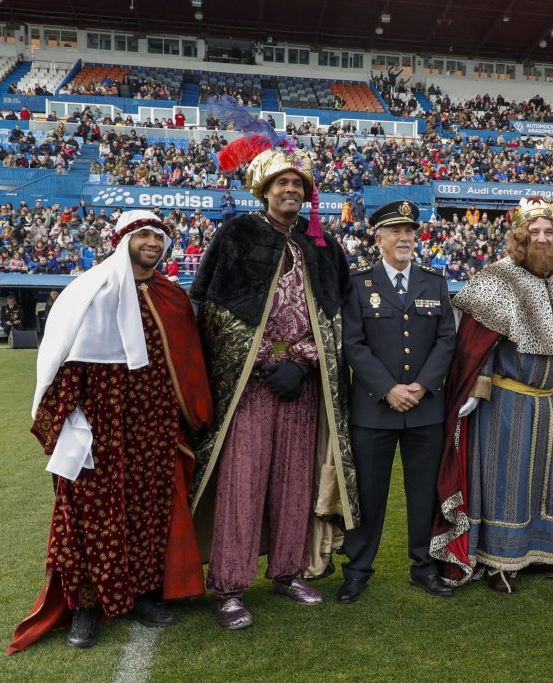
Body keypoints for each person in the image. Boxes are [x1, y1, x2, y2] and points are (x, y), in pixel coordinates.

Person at [8, 210, 213, 653]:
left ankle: (140, 595)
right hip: (96, 424)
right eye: (143, 235)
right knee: (87, 518)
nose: (152, 244)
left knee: (147, 512)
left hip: (151, 426)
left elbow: (189, 364)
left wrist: (188, 419)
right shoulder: (89, 291)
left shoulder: (172, 297)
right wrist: (67, 422)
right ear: (123, 240)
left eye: (159, 237)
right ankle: (85, 609)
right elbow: (63, 361)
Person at [190, 114, 359, 630]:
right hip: (250, 386)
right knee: (242, 482)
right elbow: (215, 310)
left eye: (297, 184)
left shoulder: (322, 245)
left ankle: (287, 572)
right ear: (263, 189)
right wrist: (266, 360)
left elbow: (336, 317)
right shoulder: (238, 235)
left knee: (294, 482)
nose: (290, 189)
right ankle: (230, 586)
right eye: (282, 183)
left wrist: (303, 359)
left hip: (303, 387)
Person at [431, 196, 553, 595]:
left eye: (549, 232)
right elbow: (474, 344)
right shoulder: (499, 278)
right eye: (534, 233)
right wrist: (476, 390)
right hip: (507, 403)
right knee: (507, 481)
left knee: (545, 481)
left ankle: (539, 555)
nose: (543, 239)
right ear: (520, 236)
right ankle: (499, 561)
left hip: (548, 402)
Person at [336, 200, 456, 604]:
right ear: (378, 238)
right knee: (370, 494)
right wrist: (388, 388)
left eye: (409, 231)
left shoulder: (434, 282)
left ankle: (423, 567)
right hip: (374, 407)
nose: (404, 238)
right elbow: (353, 344)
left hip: (424, 409)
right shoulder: (358, 284)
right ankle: (357, 570)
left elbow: (446, 341)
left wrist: (421, 386)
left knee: (424, 493)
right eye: (395, 231)